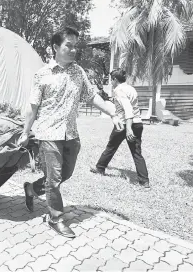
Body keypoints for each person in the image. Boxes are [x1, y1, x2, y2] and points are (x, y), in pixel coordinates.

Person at [17, 26, 123, 239]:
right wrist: (26, 131)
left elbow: (92, 96)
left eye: (76, 46)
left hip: (71, 134)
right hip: (48, 134)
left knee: (65, 174)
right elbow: (33, 106)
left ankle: (31, 189)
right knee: (54, 179)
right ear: (56, 47)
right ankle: (56, 218)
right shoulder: (42, 75)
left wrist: (112, 112)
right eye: (69, 46)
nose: (74, 50)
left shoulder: (78, 71)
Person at [90, 68, 150, 188]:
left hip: (124, 124)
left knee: (111, 147)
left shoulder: (119, 90)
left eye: (111, 80)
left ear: (115, 79)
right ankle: (144, 182)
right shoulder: (130, 88)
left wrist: (128, 129)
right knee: (137, 153)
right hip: (138, 123)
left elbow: (128, 110)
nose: (111, 82)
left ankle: (100, 168)